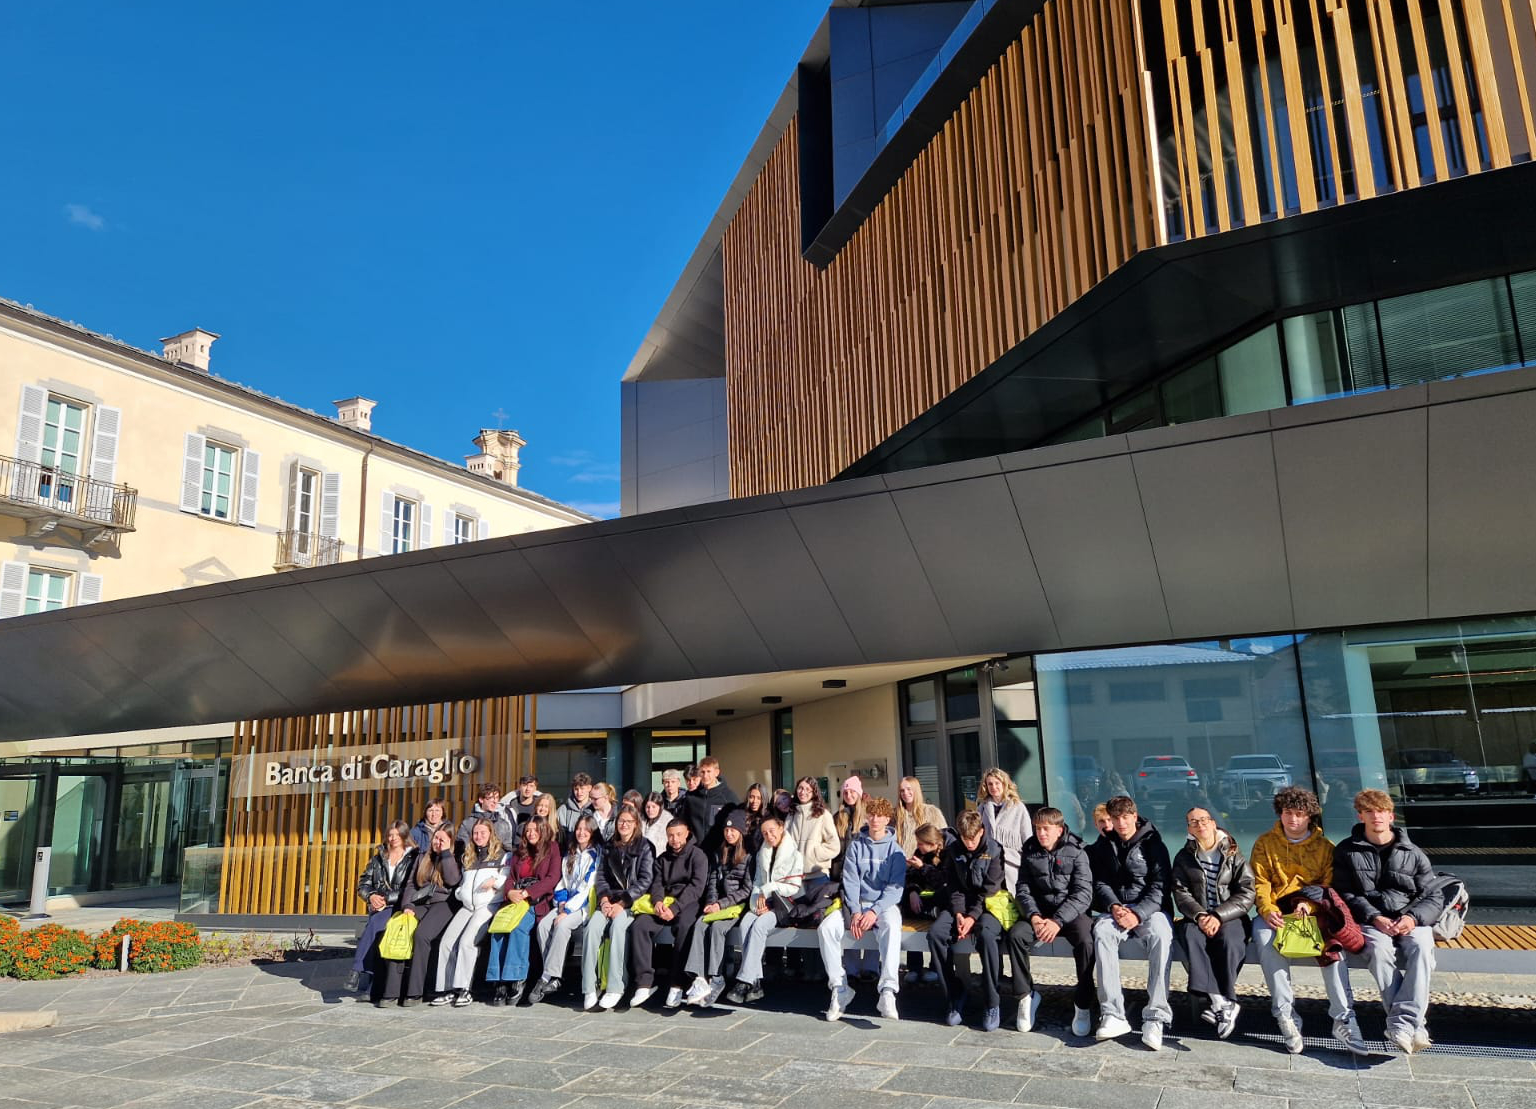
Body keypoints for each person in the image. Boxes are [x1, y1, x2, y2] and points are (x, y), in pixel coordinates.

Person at [1250, 786, 1366, 1055]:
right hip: (1276, 909)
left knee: (1332, 946)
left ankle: (1343, 1017)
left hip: (1313, 911)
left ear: (1309, 816)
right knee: (1266, 938)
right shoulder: (1265, 843)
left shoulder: (1325, 847)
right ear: (1280, 814)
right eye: (1288, 813)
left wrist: (1309, 904)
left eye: (1299, 814)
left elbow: (1328, 883)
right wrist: (1267, 909)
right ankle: (1286, 1015)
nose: (1293, 819)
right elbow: (1260, 881)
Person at [1335, 789, 1446, 1055]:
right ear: (1360, 816)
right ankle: (1414, 1026)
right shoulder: (1346, 851)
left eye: (1381, 812)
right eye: (1370, 812)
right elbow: (1346, 893)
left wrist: (1412, 918)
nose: (1376, 817)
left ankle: (1401, 1024)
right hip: (1372, 920)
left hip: (1412, 919)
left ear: (1391, 816)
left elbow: (1434, 895)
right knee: (1379, 951)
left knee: (1422, 949)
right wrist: (1375, 916)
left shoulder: (1412, 852)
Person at [1090, 795, 1174, 1050]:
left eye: (1125, 817)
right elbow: (1100, 883)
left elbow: (1160, 887)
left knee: (1161, 934)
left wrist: (1138, 914)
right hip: (1117, 909)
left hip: (1150, 910)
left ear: (1134, 817)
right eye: (1116, 819)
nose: (1121, 823)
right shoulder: (1105, 845)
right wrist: (1114, 906)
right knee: (1102, 932)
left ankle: (1155, 1016)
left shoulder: (1154, 844)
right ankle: (1113, 1013)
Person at [1007, 806, 1095, 1035]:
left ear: (1059, 829)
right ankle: (1026, 996)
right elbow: (1023, 889)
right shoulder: (1030, 850)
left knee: (1086, 940)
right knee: (1016, 936)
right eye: (1037, 829)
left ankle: (1083, 1003)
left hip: (1070, 914)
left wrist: (1057, 921)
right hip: (1039, 914)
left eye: (1046, 829)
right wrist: (1034, 916)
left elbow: (1083, 894)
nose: (1041, 834)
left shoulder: (1077, 851)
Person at [820, 795, 906, 1022]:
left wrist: (873, 912)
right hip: (856, 905)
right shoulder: (856, 845)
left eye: (880, 815)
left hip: (882, 906)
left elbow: (894, 890)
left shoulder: (895, 850)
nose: (875, 819)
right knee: (826, 928)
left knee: (893, 925)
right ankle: (839, 988)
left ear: (887, 819)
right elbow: (850, 881)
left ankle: (887, 991)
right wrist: (857, 911)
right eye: (872, 814)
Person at [1172, 806, 1255, 1039]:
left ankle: (1223, 1001)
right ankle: (1222, 1002)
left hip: (1229, 915)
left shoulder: (1232, 854)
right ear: (1189, 828)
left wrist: (1218, 915)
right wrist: (1200, 915)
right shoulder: (1184, 856)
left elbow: (1247, 892)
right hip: (1197, 916)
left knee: (1231, 939)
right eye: (1193, 822)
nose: (1200, 824)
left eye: (1204, 820)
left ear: (1213, 823)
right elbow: (1180, 892)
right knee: (1191, 936)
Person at [928, 809, 1005, 1030]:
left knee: (988, 937)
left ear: (981, 831)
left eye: (973, 838)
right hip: (959, 907)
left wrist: (972, 917)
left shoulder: (994, 850)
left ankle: (992, 1001)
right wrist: (960, 913)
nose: (969, 843)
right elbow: (953, 885)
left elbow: (990, 890)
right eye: (965, 838)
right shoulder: (953, 850)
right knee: (936, 935)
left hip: (987, 907)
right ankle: (955, 995)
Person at [717, 813, 803, 1007]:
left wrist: (770, 888)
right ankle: (755, 984)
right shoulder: (761, 853)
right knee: (747, 922)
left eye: (772, 831)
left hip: (783, 905)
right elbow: (757, 882)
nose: (769, 836)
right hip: (763, 902)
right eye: (764, 833)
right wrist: (757, 901)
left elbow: (795, 887)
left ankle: (745, 981)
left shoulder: (794, 854)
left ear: (781, 828)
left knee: (759, 927)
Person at [375, 825, 462, 1006]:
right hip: (421, 902)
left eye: (442, 839)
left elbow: (453, 880)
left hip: (444, 903)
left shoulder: (454, 857)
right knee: (399, 930)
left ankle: (415, 991)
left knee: (421, 935)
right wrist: (407, 905)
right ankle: (391, 991)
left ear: (450, 841)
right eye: (436, 838)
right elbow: (411, 884)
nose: (437, 842)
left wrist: (445, 852)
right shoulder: (423, 856)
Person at [628, 818, 708, 1007]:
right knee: (640, 925)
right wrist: (657, 903)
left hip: (687, 904)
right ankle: (644, 983)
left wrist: (675, 908)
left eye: (679, 834)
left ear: (687, 833)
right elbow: (657, 884)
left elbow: (696, 887)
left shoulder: (698, 856)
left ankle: (677, 983)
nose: (675, 839)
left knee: (684, 927)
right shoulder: (662, 859)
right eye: (671, 835)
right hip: (664, 903)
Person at [582, 805, 655, 1010]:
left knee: (618, 928)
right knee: (592, 929)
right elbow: (602, 878)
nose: (624, 825)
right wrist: (604, 900)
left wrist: (622, 903)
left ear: (636, 824)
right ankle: (589, 987)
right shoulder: (609, 847)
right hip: (608, 901)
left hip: (630, 904)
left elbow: (645, 880)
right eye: (621, 821)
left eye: (628, 822)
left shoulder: (645, 847)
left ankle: (616, 986)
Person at [434, 818, 509, 1007]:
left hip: (488, 905)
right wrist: (461, 893)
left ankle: (464, 989)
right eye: (476, 833)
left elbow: (507, 881)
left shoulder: (502, 856)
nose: (479, 836)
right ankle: (446, 988)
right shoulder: (469, 856)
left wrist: (495, 882)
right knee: (447, 942)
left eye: (483, 833)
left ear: (491, 834)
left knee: (467, 942)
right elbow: (462, 883)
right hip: (467, 906)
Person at [486, 815, 561, 1006]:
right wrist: (510, 892)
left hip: (535, 901)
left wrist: (528, 893)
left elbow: (552, 878)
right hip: (515, 898)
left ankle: (516, 978)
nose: (531, 833)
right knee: (499, 929)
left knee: (518, 927)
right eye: (528, 830)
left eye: (535, 830)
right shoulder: (520, 851)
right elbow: (511, 877)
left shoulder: (552, 848)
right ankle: (499, 980)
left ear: (543, 830)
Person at [683, 809, 754, 1006]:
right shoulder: (718, 853)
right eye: (726, 830)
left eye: (733, 830)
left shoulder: (748, 857)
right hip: (717, 905)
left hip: (735, 907)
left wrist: (721, 904)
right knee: (699, 925)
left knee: (717, 929)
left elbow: (746, 889)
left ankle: (717, 977)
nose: (729, 834)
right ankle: (699, 978)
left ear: (740, 832)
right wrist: (711, 903)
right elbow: (712, 881)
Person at [529, 814, 602, 1004]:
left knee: (562, 926)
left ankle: (546, 977)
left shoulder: (596, 854)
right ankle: (554, 976)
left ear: (592, 832)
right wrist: (560, 903)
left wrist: (567, 911)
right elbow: (562, 881)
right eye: (579, 828)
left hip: (581, 906)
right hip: (565, 903)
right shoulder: (570, 853)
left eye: (586, 829)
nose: (581, 832)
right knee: (544, 925)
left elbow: (587, 888)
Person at [350, 819, 415, 993]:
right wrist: (371, 896)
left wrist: (386, 898)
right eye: (390, 835)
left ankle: (357, 970)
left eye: (396, 835)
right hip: (379, 906)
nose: (393, 838)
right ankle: (367, 978)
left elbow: (411, 887)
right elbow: (363, 884)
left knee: (377, 927)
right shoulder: (378, 858)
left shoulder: (413, 857)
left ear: (404, 836)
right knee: (375, 926)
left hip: (400, 905)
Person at [901, 822, 945, 984]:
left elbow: (941, 881)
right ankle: (914, 967)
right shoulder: (919, 853)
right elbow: (911, 877)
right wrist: (913, 891)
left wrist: (923, 868)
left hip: (939, 902)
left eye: (921, 843)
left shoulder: (946, 854)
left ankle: (935, 967)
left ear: (932, 844)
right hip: (921, 900)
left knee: (937, 927)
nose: (918, 847)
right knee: (912, 922)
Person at [977, 767, 1030, 892]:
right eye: (990, 784)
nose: (993, 787)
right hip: (989, 861)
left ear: (1004, 784)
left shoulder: (1017, 806)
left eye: (997, 783)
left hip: (1011, 861)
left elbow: (1026, 835)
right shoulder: (983, 807)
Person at [787, 776, 840, 882]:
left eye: (808, 789)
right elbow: (785, 842)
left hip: (818, 876)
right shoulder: (791, 814)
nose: (803, 792)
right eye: (800, 788)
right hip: (795, 876)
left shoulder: (823, 815)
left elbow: (834, 846)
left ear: (814, 792)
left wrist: (814, 854)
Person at [683, 756, 739, 855]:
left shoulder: (728, 796)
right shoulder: (691, 798)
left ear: (716, 772)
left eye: (709, 771)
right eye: (702, 772)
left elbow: (739, 821)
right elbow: (684, 823)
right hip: (696, 852)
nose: (705, 775)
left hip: (720, 853)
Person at [895, 776, 946, 856]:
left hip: (924, 862)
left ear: (916, 790)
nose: (905, 793)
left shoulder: (932, 812)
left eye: (909, 789)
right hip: (900, 863)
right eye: (902, 790)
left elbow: (942, 838)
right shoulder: (895, 815)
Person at [831, 776, 867, 881]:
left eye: (852, 792)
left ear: (859, 793)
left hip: (860, 871)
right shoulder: (837, 817)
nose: (849, 795)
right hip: (839, 871)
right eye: (845, 792)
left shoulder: (867, 816)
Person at [457, 784, 516, 849]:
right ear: (481, 799)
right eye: (490, 798)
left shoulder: (503, 824)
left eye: (497, 798)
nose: (495, 801)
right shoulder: (468, 823)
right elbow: (462, 849)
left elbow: (508, 850)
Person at [557, 773, 594, 843]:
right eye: (576, 789)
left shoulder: (594, 809)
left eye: (582, 788)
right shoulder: (563, 810)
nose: (579, 792)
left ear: (589, 788)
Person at [641, 792, 671, 857]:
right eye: (648, 807)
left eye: (654, 807)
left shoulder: (667, 821)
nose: (650, 810)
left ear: (660, 807)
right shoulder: (640, 820)